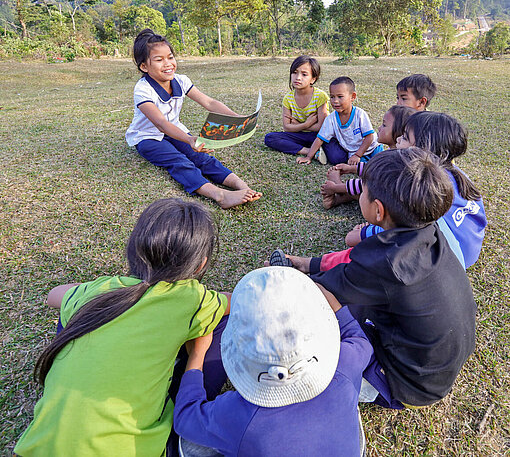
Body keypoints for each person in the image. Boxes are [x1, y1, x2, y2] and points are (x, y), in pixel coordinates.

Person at [14, 198, 231, 456]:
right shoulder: (193, 299)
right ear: (201, 264)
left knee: (73, 314)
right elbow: (240, 300)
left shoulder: (100, 289)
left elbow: (53, 295)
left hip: (34, 450)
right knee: (221, 321)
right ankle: (192, 409)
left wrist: (93, 291)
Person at [284, 148, 477, 408]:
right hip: (436, 371)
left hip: (407, 386)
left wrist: (283, 280)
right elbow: (350, 267)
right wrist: (310, 265)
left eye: (363, 191)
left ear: (378, 211)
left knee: (317, 330)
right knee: (357, 299)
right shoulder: (428, 233)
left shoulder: (386, 263)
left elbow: (321, 297)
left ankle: (366, 385)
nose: (360, 195)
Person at [173, 267, 372, 457]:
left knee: (189, 446)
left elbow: (185, 417)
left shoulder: (238, 415)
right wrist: (335, 306)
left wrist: (197, 353)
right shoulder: (345, 365)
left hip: (243, 428)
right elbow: (360, 341)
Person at [125, 29, 261, 209]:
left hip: (175, 130)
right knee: (180, 162)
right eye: (159, 60)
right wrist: (189, 139)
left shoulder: (181, 80)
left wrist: (239, 118)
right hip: (147, 137)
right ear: (144, 66)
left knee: (203, 158)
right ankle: (220, 196)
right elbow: (161, 123)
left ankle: (242, 187)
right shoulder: (142, 89)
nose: (168, 64)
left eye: (170, 57)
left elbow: (209, 102)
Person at [345, 111, 487, 270]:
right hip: (471, 248)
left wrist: (363, 234)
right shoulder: (456, 173)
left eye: (405, 137)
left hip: (450, 259)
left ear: (423, 150)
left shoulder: (416, 184)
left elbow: (400, 222)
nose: (398, 139)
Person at [320, 105, 415, 209]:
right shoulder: (393, 153)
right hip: (385, 199)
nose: (379, 128)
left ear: (398, 134)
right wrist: (352, 169)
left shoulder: (395, 161)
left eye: (384, 125)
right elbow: (373, 168)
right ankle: (338, 199)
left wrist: (336, 187)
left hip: (386, 207)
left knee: (367, 188)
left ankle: (341, 192)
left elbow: (365, 185)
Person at [264, 55, 345, 164]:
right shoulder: (288, 99)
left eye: (304, 74)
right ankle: (309, 151)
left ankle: (312, 148)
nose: (298, 77)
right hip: (300, 135)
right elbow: (287, 127)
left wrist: (297, 125)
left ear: (313, 79)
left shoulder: (320, 96)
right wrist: (305, 125)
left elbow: (321, 127)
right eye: (295, 72)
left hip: (320, 136)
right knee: (270, 138)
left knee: (338, 158)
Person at [297, 76, 382, 167]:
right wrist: (309, 157)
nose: (335, 101)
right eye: (332, 97)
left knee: (384, 162)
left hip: (373, 148)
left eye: (340, 97)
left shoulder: (360, 114)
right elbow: (319, 139)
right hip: (354, 153)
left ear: (352, 97)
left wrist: (358, 154)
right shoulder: (331, 119)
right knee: (365, 168)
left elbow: (369, 137)